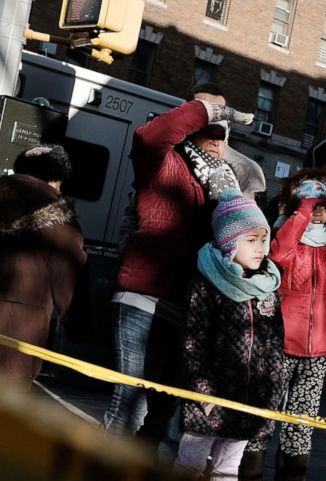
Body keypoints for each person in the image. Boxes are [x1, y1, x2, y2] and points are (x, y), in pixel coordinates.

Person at [102, 83, 253, 446]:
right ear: (190, 124)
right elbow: (150, 137)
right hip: (144, 299)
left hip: (190, 308)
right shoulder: (164, 166)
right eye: (210, 127)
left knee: (165, 412)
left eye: (223, 130)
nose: (218, 138)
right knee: (130, 403)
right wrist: (209, 109)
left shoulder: (227, 183)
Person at [237, 168, 326, 481]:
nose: (317, 209)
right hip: (281, 343)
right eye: (311, 201)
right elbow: (278, 254)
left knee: (301, 422)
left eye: (322, 202)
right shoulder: (284, 233)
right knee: (263, 416)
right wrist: (302, 208)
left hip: (320, 349)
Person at [177, 190, 285, 481]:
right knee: (191, 462)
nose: (260, 248)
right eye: (250, 240)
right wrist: (204, 393)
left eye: (263, 240)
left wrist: (271, 393)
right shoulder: (206, 284)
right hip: (209, 400)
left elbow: (275, 346)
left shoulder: (267, 288)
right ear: (227, 242)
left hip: (249, 398)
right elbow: (192, 342)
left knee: (227, 468)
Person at [0, 145, 86, 388]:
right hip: (20, 331)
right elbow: (70, 276)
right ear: (55, 179)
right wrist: (79, 328)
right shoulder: (61, 221)